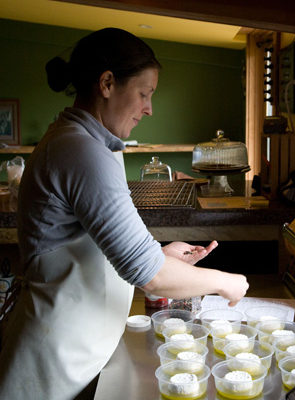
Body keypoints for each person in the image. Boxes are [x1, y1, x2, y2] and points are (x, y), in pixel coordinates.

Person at [0, 28, 248, 399]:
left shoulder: (82, 141)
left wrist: (160, 256)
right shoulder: (81, 151)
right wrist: (225, 281)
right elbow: (150, 277)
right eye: (144, 93)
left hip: (80, 351)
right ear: (107, 83)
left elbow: (98, 247)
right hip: (53, 364)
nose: (149, 108)